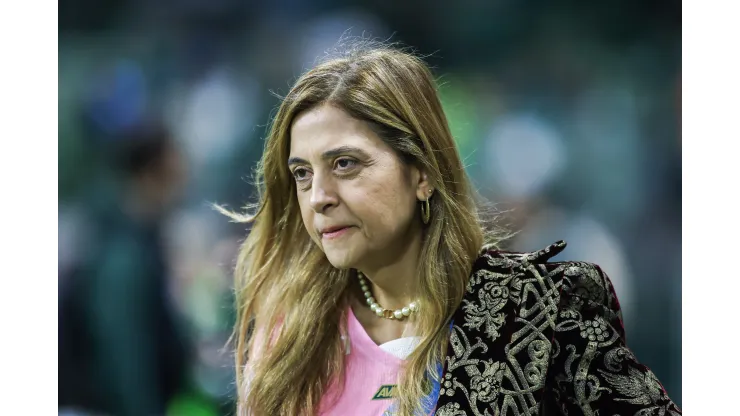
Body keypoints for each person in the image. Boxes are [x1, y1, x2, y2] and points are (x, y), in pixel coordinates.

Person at [225, 39, 681, 416]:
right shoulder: (287, 336)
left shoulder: (535, 314)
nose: (318, 196)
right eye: (302, 173)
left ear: (422, 173)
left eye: (345, 164)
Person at [59, 122, 191, 416]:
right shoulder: (123, 254)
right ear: (150, 173)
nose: (185, 175)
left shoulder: (138, 241)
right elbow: (126, 363)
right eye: (175, 165)